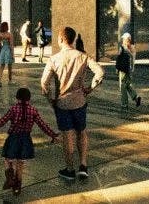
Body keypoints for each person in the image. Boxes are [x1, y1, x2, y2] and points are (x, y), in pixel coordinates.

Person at [41, 27, 104, 181]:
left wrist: (51, 100)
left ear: (62, 39)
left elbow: (44, 83)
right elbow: (100, 72)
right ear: (73, 39)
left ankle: (69, 169)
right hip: (80, 101)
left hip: (62, 103)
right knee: (81, 132)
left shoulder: (54, 59)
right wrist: (90, 88)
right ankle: (83, 165)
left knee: (67, 136)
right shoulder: (83, 56)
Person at [0, 87, 58, 196]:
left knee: (7, 159)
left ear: (17, 98)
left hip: (13, 138)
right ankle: (17, 188)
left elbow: (1, 122)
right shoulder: (33, 110)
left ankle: (10, 179)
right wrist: (52, 135)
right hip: (26, 140)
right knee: (20, 164)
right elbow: (42, 125)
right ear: (29, 99)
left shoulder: (13, 109)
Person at [117, 33, 141, 109]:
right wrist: (132, 69)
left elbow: (119, 59)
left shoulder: (123, 48)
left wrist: (117, 69)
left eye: (124, 39)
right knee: (127, 85)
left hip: (123, 70)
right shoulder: (133, 48)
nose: (123, 41)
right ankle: (136, 97)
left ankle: (124, 104)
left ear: (127, 40)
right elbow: (133, 60)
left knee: (122, 87)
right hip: (130, 70)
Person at [0, 22, 14, 86]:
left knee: (2, 66)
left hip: (3, 50)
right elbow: (11, 45)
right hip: (8, 50)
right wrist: (12, 54)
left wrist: (1, 48)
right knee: (10, 66)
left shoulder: (0, 35)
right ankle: (10, 80)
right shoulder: (9, 35)